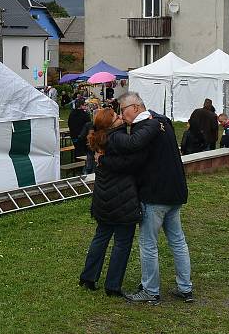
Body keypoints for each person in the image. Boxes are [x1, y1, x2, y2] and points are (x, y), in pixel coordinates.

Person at [109, 92, 193, 304]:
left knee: (148, 244)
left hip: (155, 194)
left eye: (123, 110)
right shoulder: (161, 121)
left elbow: (134, 157)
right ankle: (185, 288)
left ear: (136, 108)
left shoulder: (146, 127)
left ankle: (151, 290)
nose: (122, 115)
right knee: (177, 241)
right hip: (174, 191)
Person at [79, 108, 143, 297]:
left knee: (101, 237)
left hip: (103, 198)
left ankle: (88, 276)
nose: (120, 117)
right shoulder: (119, 139)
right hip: (122, 199)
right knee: (122, 243)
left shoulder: (101, 140)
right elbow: (130, 163)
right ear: (109, 125)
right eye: (116, 117)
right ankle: (113, 285)